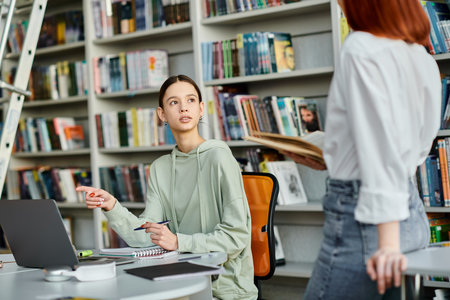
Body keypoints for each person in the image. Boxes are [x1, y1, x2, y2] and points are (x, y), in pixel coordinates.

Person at [283, 0, 441, 299]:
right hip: (411, 215)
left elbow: (382, 149)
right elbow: (408, 147)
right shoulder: (422, 58)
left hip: (367, 222)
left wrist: (387, 243)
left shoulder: (361, 47)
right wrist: (334, 153)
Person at [76, 74, 258, 300]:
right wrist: (111, 206)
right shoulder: (160, 168)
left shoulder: (219, 158)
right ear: (162, 114)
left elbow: (236, 238)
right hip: (176, 281)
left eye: (191, 100)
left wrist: (178, 242)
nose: (183, 108)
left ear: (201, 109)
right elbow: (147, 237)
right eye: (174, 102)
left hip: (223, 291)